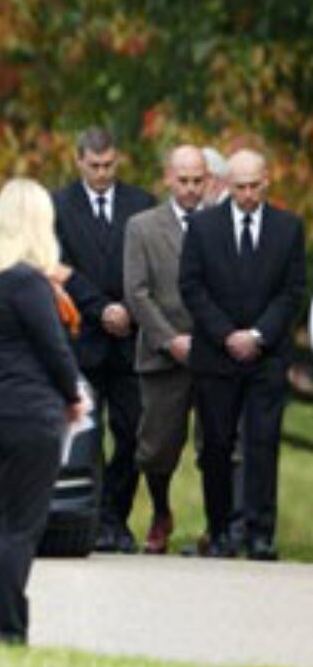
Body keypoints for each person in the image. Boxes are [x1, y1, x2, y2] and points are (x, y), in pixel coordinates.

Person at [0, 179, 88, 643]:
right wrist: (73, 395)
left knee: (5, 524)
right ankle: (8, 630)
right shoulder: (27, 282)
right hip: (30, 412)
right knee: (23, 528)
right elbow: (54, 349)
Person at [178, 149, 307, 561]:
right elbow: (192, 287)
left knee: (263, 443)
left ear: (267, 181)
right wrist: (226, 334)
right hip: (216, 357)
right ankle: (219, 531)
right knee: (216, 446)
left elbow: (293, 292)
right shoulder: (203, 227)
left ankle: (260, 533)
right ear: (227, 185)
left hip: (266, 356)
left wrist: (258, 334)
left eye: (255, 186)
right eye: (240, 187)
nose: (248, 195)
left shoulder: (288, 229)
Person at [51, 128, 155, 553]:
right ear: (78, 161)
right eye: (94, 166)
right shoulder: (58, 206)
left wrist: (130, 309)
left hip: (130, 338)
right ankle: (93, 518)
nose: (101, 173)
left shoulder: (141, 204)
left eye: (108, 165)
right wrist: (100, 309)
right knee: (88, 434)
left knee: (133, 433)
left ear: (119, 160)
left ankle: (116, 514)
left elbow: (150, 266)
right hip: (83, 337)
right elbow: (57, 267)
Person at [121, 146, 207, 554]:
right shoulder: (142, 227)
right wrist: (170, 339)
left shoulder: (219, 224)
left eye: (197, 180)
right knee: (155, 447)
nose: (191, 189)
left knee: (221, 445)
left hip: (212, 352)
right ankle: (160, 509)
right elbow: (136, 293)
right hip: (163, 351)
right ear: (169, 179)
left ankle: (219, 525)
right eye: (184, 180)